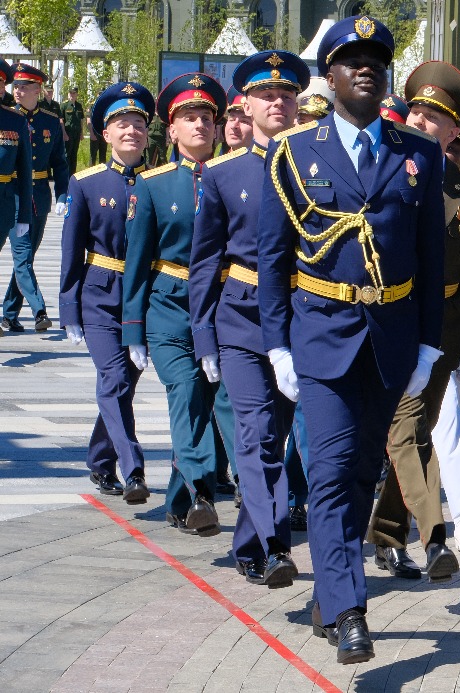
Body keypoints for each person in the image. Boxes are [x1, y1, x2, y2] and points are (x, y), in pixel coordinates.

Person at [258, 15, 445, 664]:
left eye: (375, 58)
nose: (366, 67)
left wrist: (427, 346)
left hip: (391, 339)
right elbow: (272, 257)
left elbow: (431, 255)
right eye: (351, 59)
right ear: (329, 76)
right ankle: (351, 609)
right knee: (333, 472)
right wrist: (277, 344)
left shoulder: (419, 155)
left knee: (365, 472)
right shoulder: (292, 152)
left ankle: (329, 594)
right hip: (320, 337)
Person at [190, 50, 312, 590]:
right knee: (256, 432)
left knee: (276, 439)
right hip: (239, 317)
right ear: (247, 104)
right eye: (267, 95)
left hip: (298, 318)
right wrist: (203, 336)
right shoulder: (223, 174)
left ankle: (248, 543)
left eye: (287, 95)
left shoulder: (315, 162)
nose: (279, 102)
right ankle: (277, 544)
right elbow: (204, 261)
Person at [365, 60, 460, 581]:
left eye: (435, 116)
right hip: (393, 318)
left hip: (446, 326)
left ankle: (388, 534)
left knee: (417, 431)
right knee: (405, 431)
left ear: (457, 131)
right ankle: (435, 538)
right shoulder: (381, 171)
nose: (420, 122)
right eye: (414, 109)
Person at [123, 72, 234, 539]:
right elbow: (136, 261)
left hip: (221, 305)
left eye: (207, 117)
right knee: (186, 392)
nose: (200, 125)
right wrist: (132, 328)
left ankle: (179, 500)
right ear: (170, 129)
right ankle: (204, 492)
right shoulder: (153, 186)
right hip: (169, 307)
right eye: (189, 117)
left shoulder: (234, 177)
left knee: (211, 401)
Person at [59, 81, 155, 505]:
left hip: (144, 298)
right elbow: (71, 251)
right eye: (121, 123)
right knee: (113, 378)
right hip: (99, 293)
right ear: (105, 133)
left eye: (138, 122)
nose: (130, 130)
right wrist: (69, 310)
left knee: (123, 385)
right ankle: (131, 467)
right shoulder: (86, 184)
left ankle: (99, 460)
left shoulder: (159, 182)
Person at [2, 63, 68, 334]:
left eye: (24, 86)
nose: (17, 91)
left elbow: (60, 164)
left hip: (39, 194)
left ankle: (9, 313)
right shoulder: (8, 118)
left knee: (27, 258)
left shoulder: (50, 121)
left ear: (37, 90)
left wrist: (62, 195)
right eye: (15, 86)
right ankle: (40, 310)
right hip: (12, 192)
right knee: (23, 256)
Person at [0, 59, 33, 336]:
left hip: (3, 201)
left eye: (1, 83)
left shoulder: (15, 120)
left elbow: (24, 170)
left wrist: (23, 217)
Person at [63, 87, 85, 174]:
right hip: (68, 133)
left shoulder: (79, 106)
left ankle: (73, 173)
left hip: (76, 133)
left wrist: (81, 133)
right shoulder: (64, 105)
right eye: (70, 93)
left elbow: (81, 120)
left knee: (74, 154)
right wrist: (64, 133)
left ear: (77, 94)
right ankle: (66, 174)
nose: (72, 95)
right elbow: (61, 120)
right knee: (67, 154)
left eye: (74, 93)